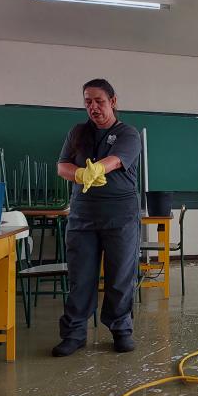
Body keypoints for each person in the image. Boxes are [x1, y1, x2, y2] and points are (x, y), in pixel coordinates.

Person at [52, 79, 142, 357]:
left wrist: (96, 169)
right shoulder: (77, 132)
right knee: (81, 276)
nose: (93, 107)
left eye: (99, 101)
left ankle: (121, 330)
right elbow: (62, 166)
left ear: (113, 102)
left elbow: (116, 160)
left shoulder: (128, 134)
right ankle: (74, 334)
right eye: (88, 101)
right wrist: (80, 174)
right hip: (83, 215)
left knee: (120, 276)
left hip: (120, 215)